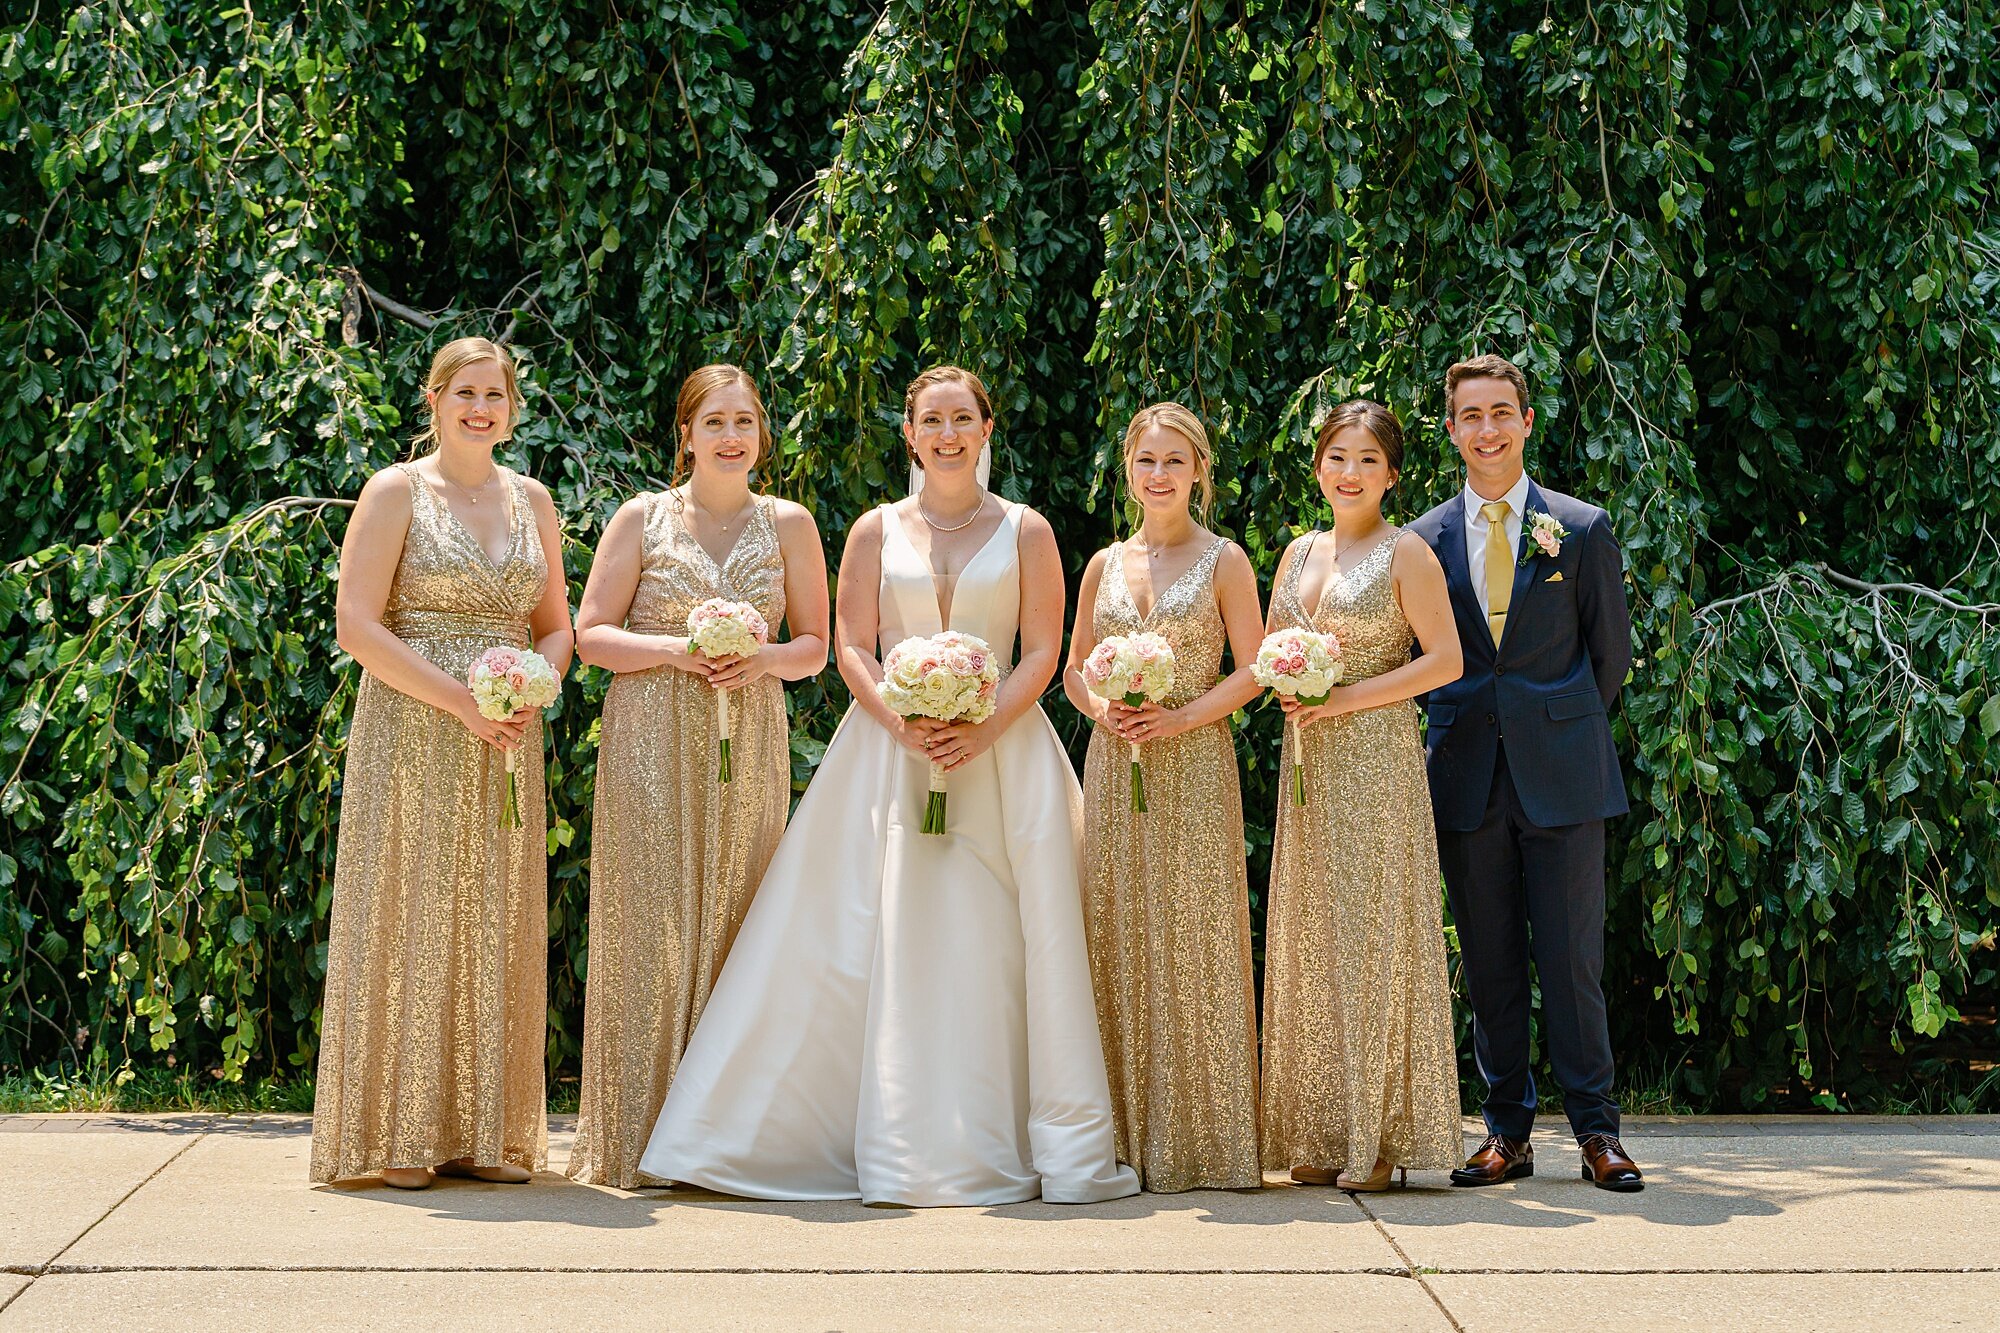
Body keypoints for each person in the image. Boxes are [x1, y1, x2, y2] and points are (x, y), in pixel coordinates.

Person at [637, 366, 1138, 1206]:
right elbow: (851, 646)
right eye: (931, 421)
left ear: (986, 429)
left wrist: (982, 727)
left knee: (1006, 942)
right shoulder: (874, 528)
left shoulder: (1028, 530)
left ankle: (1003, 1137)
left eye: (962, 419)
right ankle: (863, 1140)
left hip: (1004, 753)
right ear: (910, 434)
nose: (947, 434)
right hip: (885, 750)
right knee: (864, 936)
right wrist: (902, 721)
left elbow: (1046, 651)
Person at [311, 337, 573, 1189]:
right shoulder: (396, 492)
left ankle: (487, 1130)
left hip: (507, 735)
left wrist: (543, 680)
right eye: (466, 392)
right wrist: (461, 699)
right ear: (434, 398)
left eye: (495, 394)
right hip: (415, 726)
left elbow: (555, 623)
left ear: (512, 407)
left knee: (497, 912)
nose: (481, 408)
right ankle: (404, 1131)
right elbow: (358, 624)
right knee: (412, 908)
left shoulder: (534, 499)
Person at [564, 366, 828, 1189]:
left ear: (761, 434)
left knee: (741, 919)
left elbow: (814, 647)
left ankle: (722, 1141)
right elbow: (590, 635)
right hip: (650, 739)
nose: (730, 436)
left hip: (747, 739)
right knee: (649, 925)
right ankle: (636, 1134)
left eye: (744, 420)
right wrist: (682, 650)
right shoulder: (641, 518)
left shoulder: (790, 523)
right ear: (685, 434)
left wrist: (758, 660)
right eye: (713, 421)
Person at [1406, 354, 1642, 1192]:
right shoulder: (1424, 539)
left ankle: (1597, 1131)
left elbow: (1607, 657)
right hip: (1466, 774)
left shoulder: (1581, 527)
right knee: (1492, 958)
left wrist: (1555, 725)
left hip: (1565, 775)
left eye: (1502, 411)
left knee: (1574, 960)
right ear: (1451, 429)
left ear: (1528, 421)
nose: (1488, 429)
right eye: (1471, 415)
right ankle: (1505, 1129)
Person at [1259, 400, 1466, 1191]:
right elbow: (1269, 652)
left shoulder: (1405, 552)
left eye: (1368, 460)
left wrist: (1344, 697)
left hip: (1375, 763)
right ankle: (1319, 1125)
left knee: (1372, 938)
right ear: (1318, 464)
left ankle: (1380, 1137)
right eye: (1337, 456)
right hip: (1306, 764)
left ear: (1393, 474)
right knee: (1311, 936)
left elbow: (1445, 661)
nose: (1350, 472)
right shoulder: (1296, 551)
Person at [1063, 404, 1263, 1193]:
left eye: (1174, 461)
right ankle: (1118, 1133)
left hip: (1194, 762)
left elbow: (1253, 668)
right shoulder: (1103, 564)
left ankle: (1201, 1140)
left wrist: (1180, 714)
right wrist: (1102, 709)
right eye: (1146, 461)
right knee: (1115, 927)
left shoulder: (1226, 560)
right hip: (1116, 762)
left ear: (1199, 472)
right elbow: (1075, 667)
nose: (1159, 476)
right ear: (1129, 470)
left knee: (1193, 933)